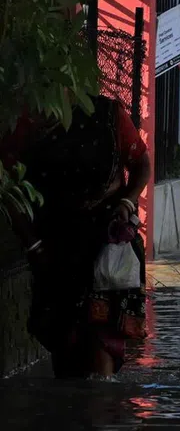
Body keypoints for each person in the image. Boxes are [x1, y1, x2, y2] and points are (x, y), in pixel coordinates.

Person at [0, 97, 151, 378]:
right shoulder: (30, 121)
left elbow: (141, 163)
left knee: (102, 338)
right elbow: (7, 184)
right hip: (57, 245)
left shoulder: (108, 116)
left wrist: (127, 203)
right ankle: (76, 404)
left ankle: (97, 401)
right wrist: (33, 244)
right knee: (64, 336)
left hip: (107, 243)